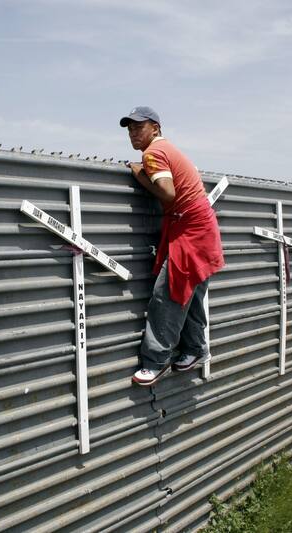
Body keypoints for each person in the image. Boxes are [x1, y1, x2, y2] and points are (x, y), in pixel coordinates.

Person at [120, 106, 224, 386]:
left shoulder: (153, 153)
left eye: (138, 127)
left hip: (190, 231)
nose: (132, 133)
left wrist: (139, 175)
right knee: (188, 293)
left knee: (168, 294)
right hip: (198, 228)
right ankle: (194, 349)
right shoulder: (168, 149)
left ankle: (156, 361)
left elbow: (167, 192)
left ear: (155, 127)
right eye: (129, 129)